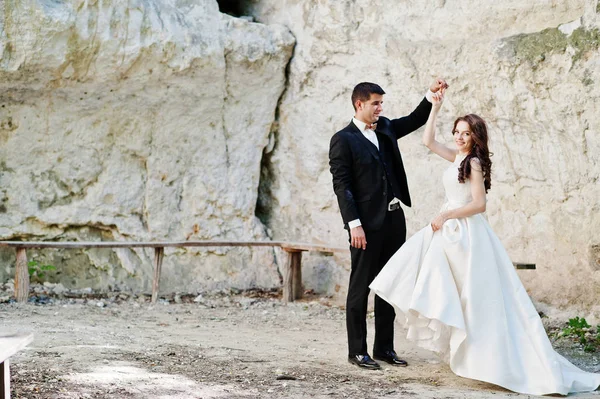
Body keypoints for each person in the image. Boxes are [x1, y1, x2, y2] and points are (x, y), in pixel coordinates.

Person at [369, 89, 600, 395]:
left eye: (465, 133)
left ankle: (486, 356)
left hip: (466, 235)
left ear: (476, 137)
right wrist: (435, 108)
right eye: (456, 132)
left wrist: (449, 215)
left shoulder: (474, 163)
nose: (459, 137)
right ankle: (461, 350)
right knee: (438, 283)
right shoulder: (458, 157)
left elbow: (479, 204)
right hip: (447, 230)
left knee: (472, 296)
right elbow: (427, 141)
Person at [329, 78, 448, 370]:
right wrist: (353, 224)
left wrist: (430, 96)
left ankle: (384, 348)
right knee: (361, 287)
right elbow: (342, 185)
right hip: (365, 226)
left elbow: (414, 119)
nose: (380, 108)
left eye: (381, 103)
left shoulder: (384, 127)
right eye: (376, 103)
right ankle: (356, 351)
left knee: (389, 284)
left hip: (395, 219)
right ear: (360, 104)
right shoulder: (343, 139)